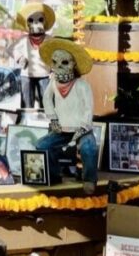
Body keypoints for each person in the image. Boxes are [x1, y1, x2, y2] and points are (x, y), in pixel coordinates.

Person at [34, 37, 99, 194]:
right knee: (42, 145)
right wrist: (54, 119)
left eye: (64, 63)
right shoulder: (53, 83)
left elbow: (88, 108)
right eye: (55, 62)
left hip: (82, 130)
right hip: (62, 129)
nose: (58, 67)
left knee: (88, 148)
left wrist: (83, 128)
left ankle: (89, 179)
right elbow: (46, 99)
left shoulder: (82, 85)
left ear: (73, 65)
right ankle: (54, 174)